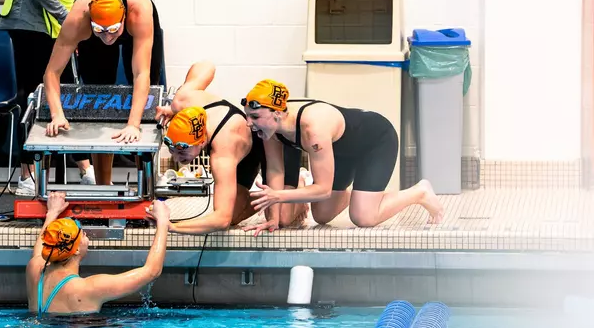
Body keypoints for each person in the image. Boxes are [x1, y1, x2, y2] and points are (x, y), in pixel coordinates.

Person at [241, 79, 444, 236]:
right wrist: (273, 219)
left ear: (277, 113)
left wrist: (279, 196)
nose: (249, 123)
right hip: (340, 153)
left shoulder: (313, 129)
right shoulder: (270, 128)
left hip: (375, 142)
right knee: (321, 216)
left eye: (255, 117)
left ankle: (419, 192)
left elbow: (323, 189)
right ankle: (359, 197)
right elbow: (276, 170)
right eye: (248, 116)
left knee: (363, 217)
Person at [154, 61, 309, 234]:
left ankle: (299, 188)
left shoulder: (223, 151)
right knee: (234, 216)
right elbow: (205, 66)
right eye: (173, 151)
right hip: (244, 151)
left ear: (202, 141)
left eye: (182, 152)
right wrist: (174, 107)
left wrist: (170, 226)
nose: (176, 159)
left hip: (271, 142)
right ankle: (263, 199)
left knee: (283, 219)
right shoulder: (182, 100)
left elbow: (221, 220)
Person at [43, 0, 165, 186]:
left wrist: (133, 125)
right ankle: (102, 185)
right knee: (97, 99)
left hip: (135, 16)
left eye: (113, 30)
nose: (107, 37)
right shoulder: (78, 20)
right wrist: (57, 114)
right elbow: (51, 72)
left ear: (124, 18)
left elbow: (140, 74)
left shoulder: (139, 13)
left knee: (149, 98)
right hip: (96, 26)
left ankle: (148, 181)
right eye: (101, 30)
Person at [0, 0, 95, 196]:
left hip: (54, 23)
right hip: (29, 23)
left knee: (65, 94)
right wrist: (69, 23)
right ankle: (27, 174)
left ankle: (85, 169)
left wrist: (72, 29)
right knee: (34, 97)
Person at [26, 191, 170, 315]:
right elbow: (152, 271)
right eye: (83, 235)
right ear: (75, 250)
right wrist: (163, 222)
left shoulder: (34, 268)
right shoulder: (89, 288)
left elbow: (44, 241)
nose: (86, 237)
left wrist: (52, 213)